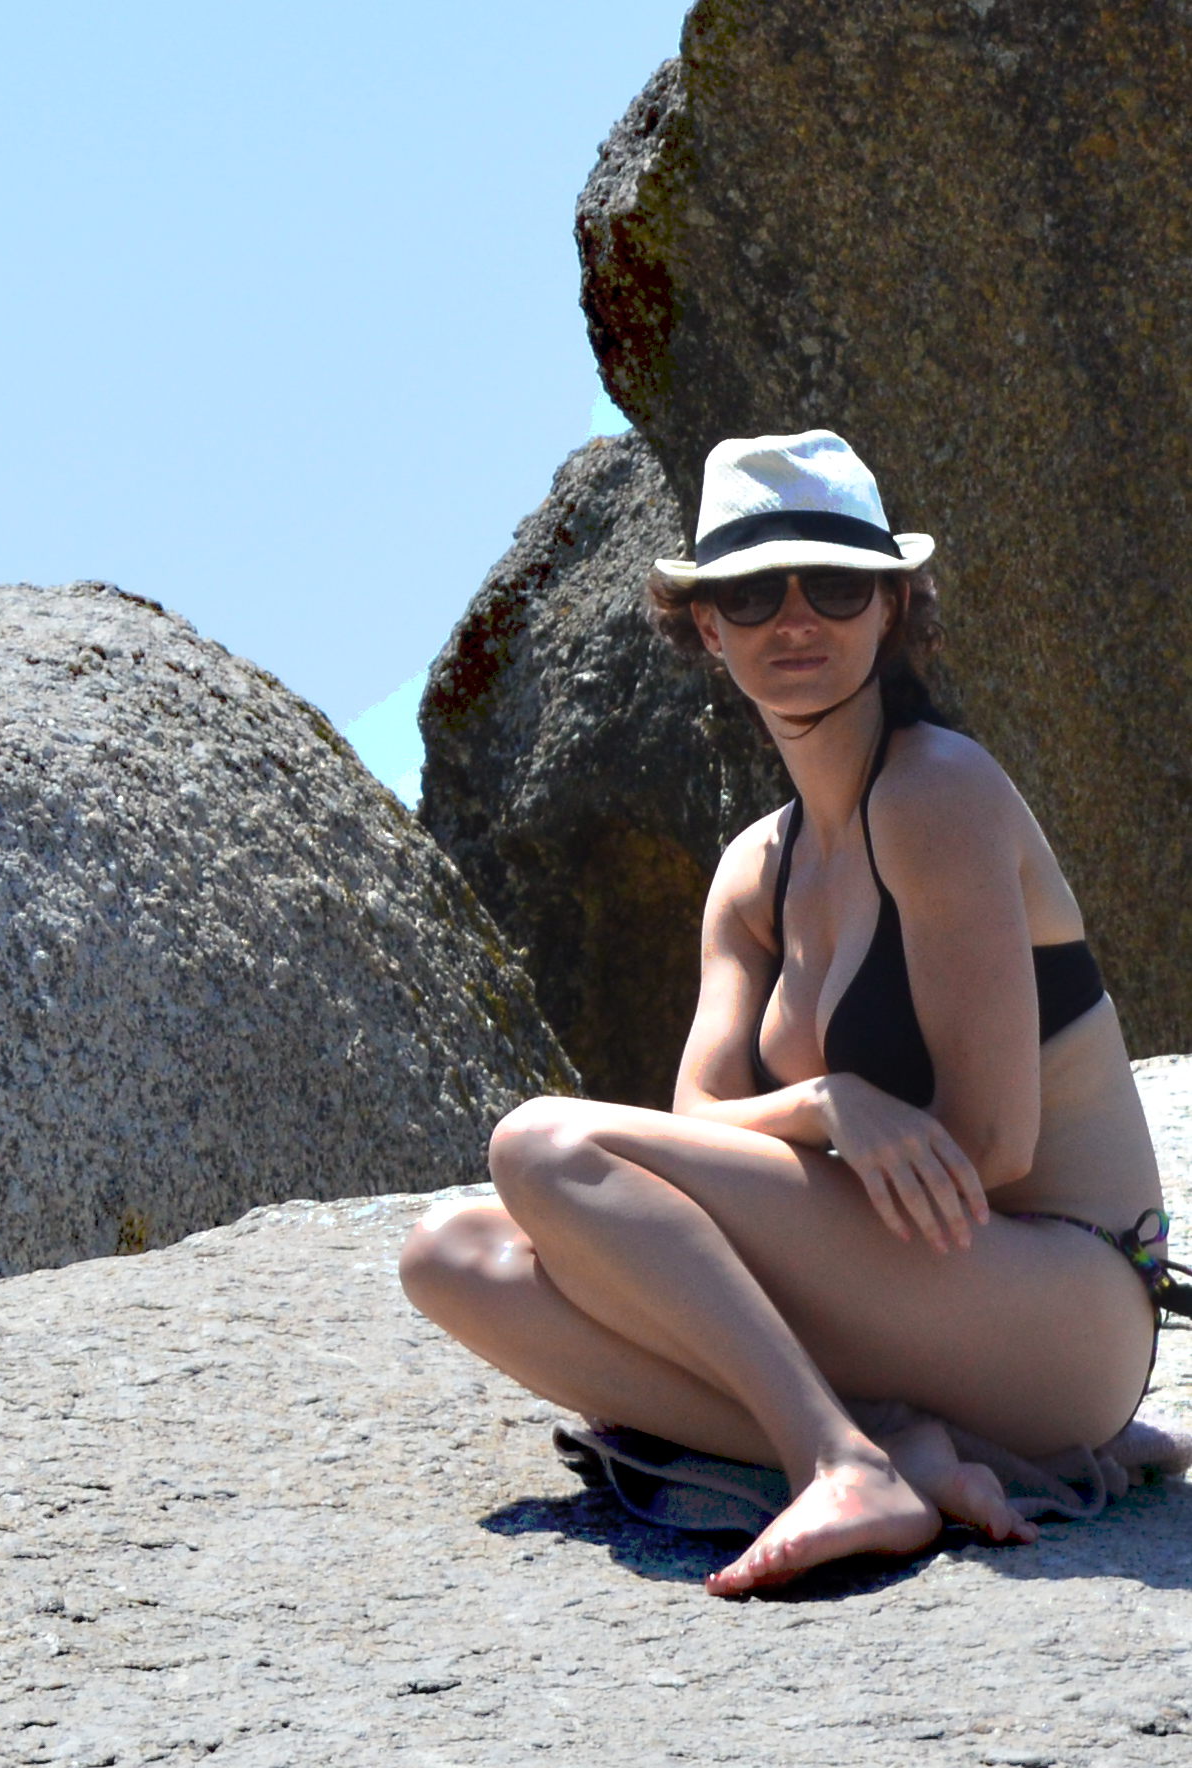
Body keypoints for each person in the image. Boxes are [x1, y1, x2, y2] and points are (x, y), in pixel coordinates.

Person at [400, 429, 1188, 1596]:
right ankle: (903, 1442)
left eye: (832, 584)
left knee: (540, 1145)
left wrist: (809, 1122)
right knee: (451, 1258)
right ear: (706, 627)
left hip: (1062, 1301)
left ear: (890, 608)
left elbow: (990, 1144)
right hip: (910, 1298)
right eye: (752, 593)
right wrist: (828, 1102)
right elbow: (689, 1135)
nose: (794, 618)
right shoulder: (750, 874)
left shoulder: (937, 792)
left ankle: (833, 1460)